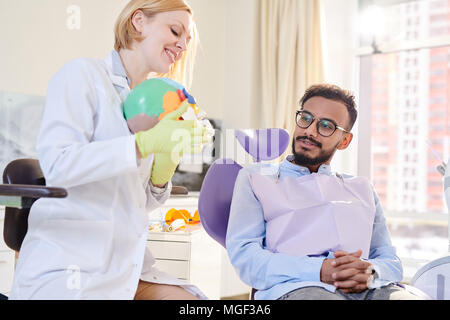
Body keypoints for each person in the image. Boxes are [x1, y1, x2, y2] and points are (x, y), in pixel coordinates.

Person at [9, 0, 209, 300]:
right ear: (138, 21)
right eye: (175, 31)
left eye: (187, 40)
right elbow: (59, 166)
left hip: (126, 267)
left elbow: (136, 204)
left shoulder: (153, 103)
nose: (181, 45)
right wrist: (141, 145)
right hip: (72, 265)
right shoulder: (82, 75)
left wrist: (163, 170)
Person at [226, 84, 424, 300]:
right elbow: (245, 258)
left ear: (345, 141)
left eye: (326, 125)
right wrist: (320, 270)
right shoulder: (257, 177)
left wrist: (370, 272)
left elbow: (390, 260)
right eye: (305, 118)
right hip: (299, 288)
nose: (309, 131)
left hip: (369, 289)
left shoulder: (362, 188)